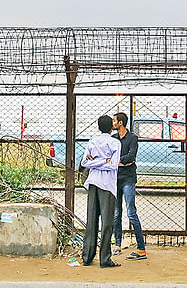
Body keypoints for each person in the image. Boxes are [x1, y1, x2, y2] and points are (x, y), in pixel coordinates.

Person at [81, 115, 121, 268]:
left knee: (91, 220)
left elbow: (86, 162)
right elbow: (113, 165)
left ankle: (87, 256)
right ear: (112, 127)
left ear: (98, 127)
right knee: (107, 222)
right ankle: (105, 258)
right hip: (107, 185)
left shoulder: (92, 142)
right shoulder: (115, 143)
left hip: (93, 182)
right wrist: (105, 160)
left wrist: (95, 162)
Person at [111, 112, 146, 260]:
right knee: (116, 213)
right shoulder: (113, 139)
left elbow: (131, 157)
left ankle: (141, 247)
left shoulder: (132, 138)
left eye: (114, 121)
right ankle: (117, 244)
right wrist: (121, 161)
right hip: (115, 178)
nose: (113, 123)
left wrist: (117, 161)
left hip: (128, 178)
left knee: (131, 212)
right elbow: (111, 157)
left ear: (120, 123)